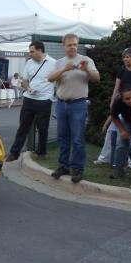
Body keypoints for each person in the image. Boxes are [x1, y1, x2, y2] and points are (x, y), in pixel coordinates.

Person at [48, 33, 100, 183]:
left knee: (77, 138)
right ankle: (63, 165)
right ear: (63, 46)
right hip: (62, 103)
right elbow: (50, 78)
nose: (73, 47)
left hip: (78, 104)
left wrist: (86, 70)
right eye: (70, 44)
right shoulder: (59, 62)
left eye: (75, 44)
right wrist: (64, 69)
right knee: (63, 137)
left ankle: (77, 168)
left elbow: (97, 78)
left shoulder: (86, 60)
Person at [6, 41, 56, 161]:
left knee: (43, 128)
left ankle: (41, 153)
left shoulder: (53, 63)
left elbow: (57, 79)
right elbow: (25, 80)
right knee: (23, 127)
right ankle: (14, 153)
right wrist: (27, 88)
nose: (30, 54)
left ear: (40, 50)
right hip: (29, 99)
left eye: (32, 51)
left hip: (44, 100)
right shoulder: (29, 63)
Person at [109, 85, 131, 179]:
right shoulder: (118, 102)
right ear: (122, 99)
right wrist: (122, 130)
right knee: (121, 142)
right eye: (127, 99)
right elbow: (114, 116)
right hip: (128, 121)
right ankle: (120, 170)